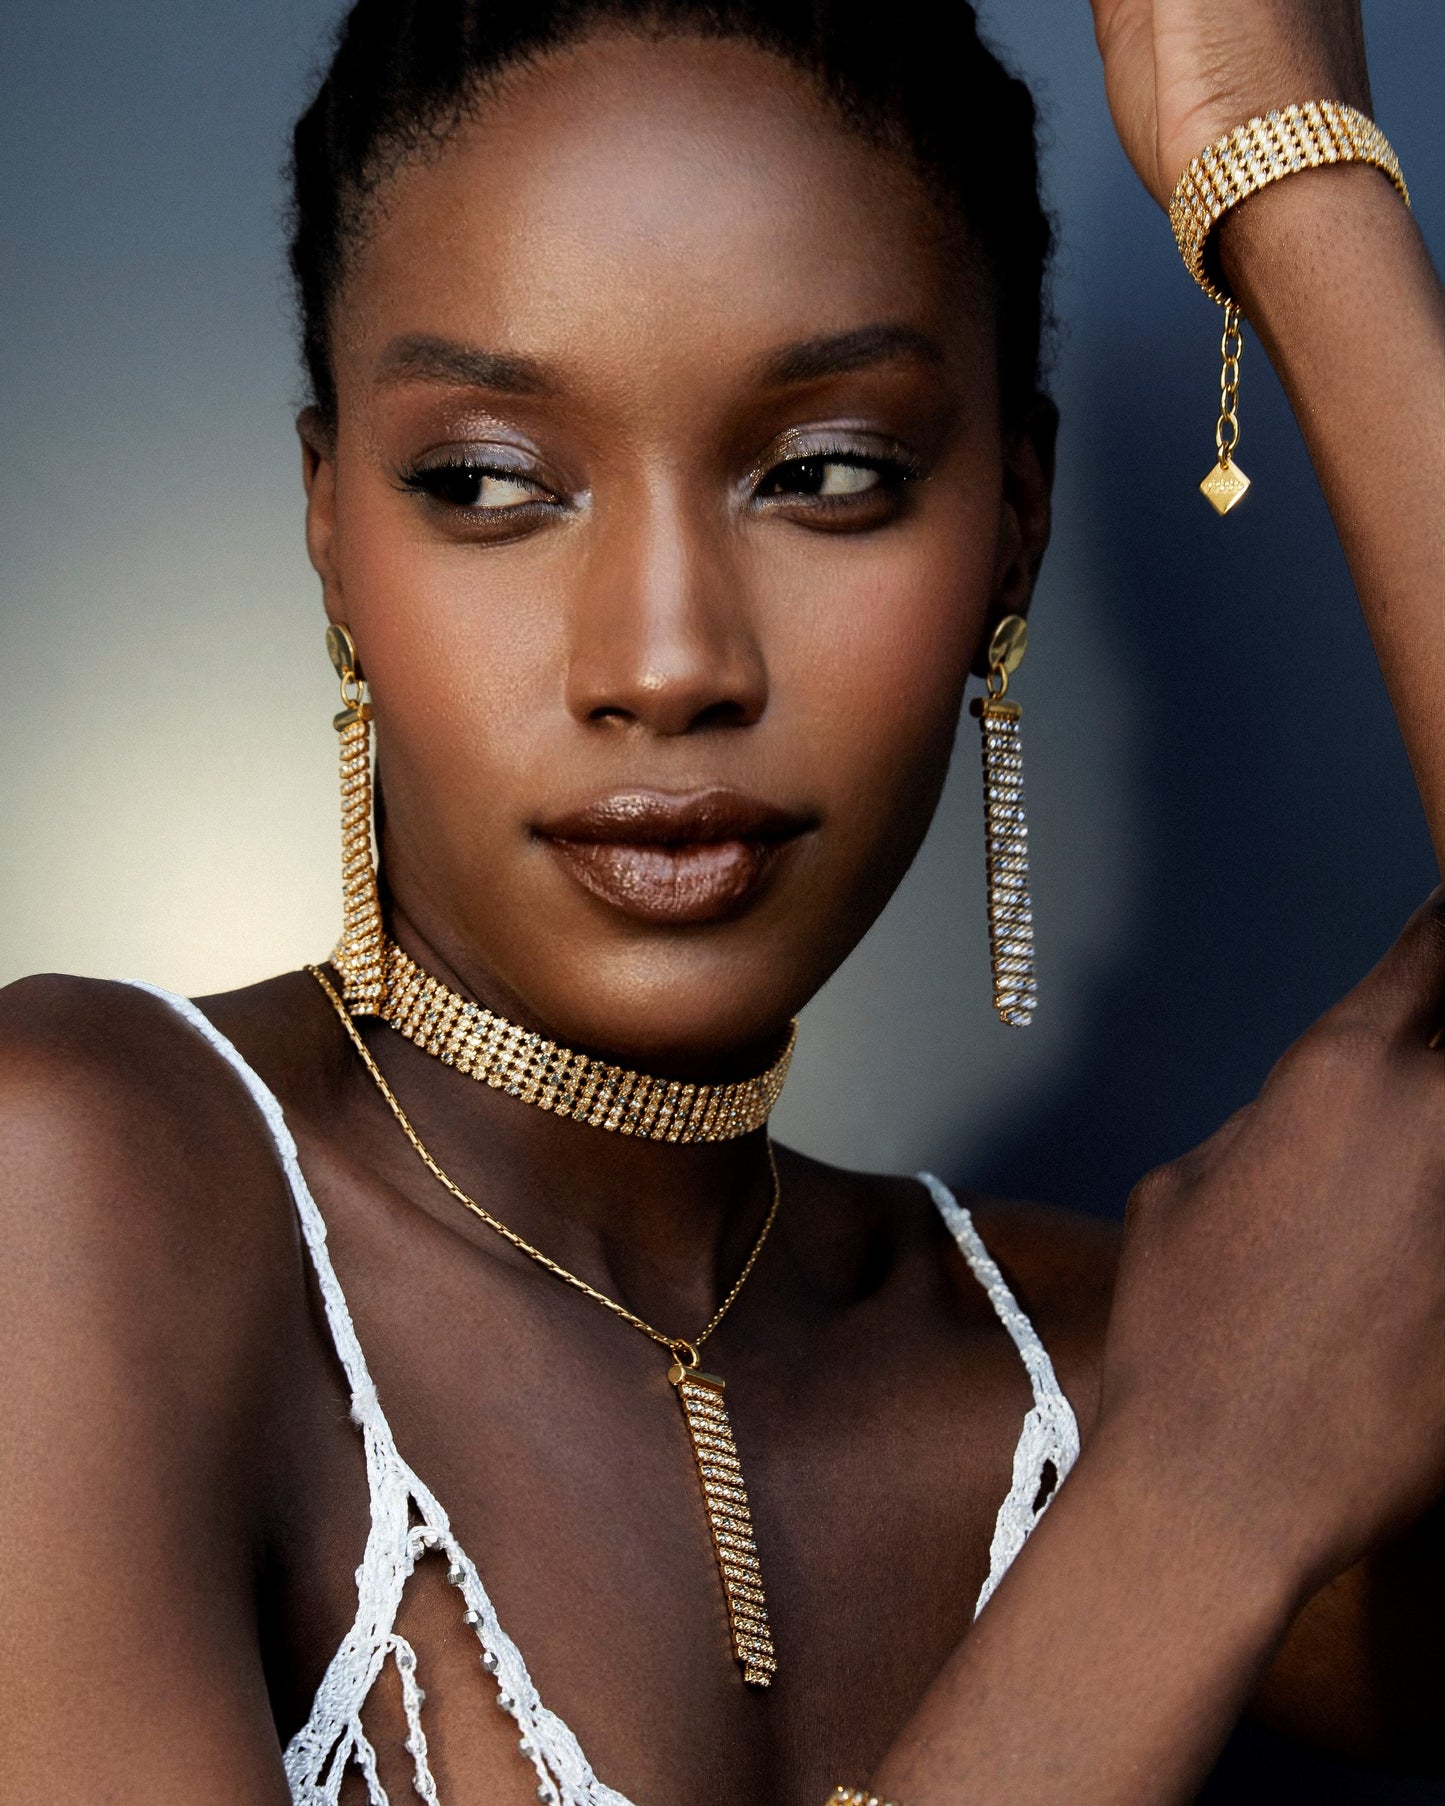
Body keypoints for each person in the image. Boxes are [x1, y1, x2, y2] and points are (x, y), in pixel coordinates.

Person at [1, 0, 1441, 1801]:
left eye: (825, 474)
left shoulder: (1137, 1353)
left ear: (1013, 522)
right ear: (333, 535)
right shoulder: (80, 1188)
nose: (667, 660)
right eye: (489, 483)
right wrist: (1185, 1519)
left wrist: (1286, 174)